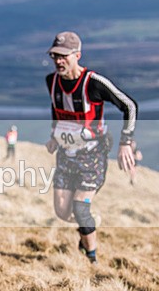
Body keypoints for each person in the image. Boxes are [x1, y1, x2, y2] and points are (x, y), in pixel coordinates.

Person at [44, 31, 137, 265]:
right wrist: (55, 135)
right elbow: (57, 109)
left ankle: (92, 262)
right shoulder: (51, 81)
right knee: (63, 213)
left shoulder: (93, 83)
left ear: (77, 55)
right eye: (55, 55)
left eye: (63, 56)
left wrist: (125, 142)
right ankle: (89, 225)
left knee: (79, 208)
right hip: (66, 156)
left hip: (93, 156)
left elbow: (130, 106)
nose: (58, 61)